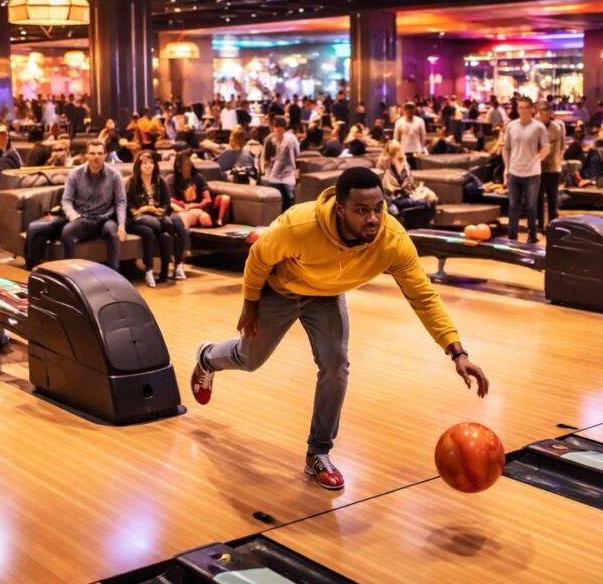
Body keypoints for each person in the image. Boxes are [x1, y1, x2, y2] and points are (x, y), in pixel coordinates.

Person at [189, 168, 489, 490]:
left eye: (378, 208)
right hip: (281, 290)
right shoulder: (299, 224)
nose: (373, 218)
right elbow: (259, 257)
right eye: (361, 210)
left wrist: (456, 350)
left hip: (326, 296)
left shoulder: (392, 240)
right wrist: (250, 304)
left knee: (336, 366)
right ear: (340, 208)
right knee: (249, 359)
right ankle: (208, 357)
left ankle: (318, 453)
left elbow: (423, 296)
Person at [23, 141, 127, 272]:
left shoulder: (114, 175)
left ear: (105, 155)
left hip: (104, 218)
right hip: (81, 218)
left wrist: (122, 224)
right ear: (86, 155)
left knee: (113, 233)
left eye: (100, 153)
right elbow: (66, 200)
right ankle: (66, 273)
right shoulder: (75, 174)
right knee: (64, 231)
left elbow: (121, 202)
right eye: (92, 153)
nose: (96, 157)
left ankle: (114, 274)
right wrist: (72, 214)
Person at [126, 150, 188, 287]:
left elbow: (166, 203)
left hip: (158, 216)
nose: (148, 166)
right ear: (139, 166)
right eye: (145, 164)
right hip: (139, 216)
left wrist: (160, 211)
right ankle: (151, 269)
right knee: (157, 226)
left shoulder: (160, 181)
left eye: (151, 163)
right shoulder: (132, 182)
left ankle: (170, 269)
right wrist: (145, 209)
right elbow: (130, 206)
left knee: (168, 230)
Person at [501, 98, 549, 244]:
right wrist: (506, 168)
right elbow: (506, 147)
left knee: (531, 206)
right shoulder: (511, 126)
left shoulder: (539, 127)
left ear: (531, 109)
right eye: (519, 108)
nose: (521, 110)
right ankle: (512, 236)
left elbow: (546, 147)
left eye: (524, 108)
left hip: (532, 174)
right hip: (514, 171)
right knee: (513, 206)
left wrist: (537, 159)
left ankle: (532, 235)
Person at [377, 140, 437, 228]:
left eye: (399, 150)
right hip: (395, 197)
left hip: (407, 193)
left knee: (431, 196)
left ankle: (426, 224)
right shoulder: (386, 166)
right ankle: (424, 225)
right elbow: (392, 188)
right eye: (397, 151)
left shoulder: (404, 163)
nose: (400, 152)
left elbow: (409, 184)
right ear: (391, 153)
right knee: (427, 201)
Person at [171, 151, 230, 228]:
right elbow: (171, 201)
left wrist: (195, 206)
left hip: (201, 210)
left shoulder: (198, 177)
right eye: (185, 166)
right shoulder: (172, 179)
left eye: (189, 164)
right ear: (179, 169)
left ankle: (218, 220)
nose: (188, 168)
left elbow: (208, 200)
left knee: (205, 219)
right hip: (183, 210)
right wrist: (184, 206)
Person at [261, 116, 299, 211]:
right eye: (276, 127)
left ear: (284, 128)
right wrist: (264, 170)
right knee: (278, 197)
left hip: (288, 173)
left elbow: (296, 155)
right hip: (273, 174)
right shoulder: (270, 140)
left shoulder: (290, 140)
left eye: (280, 127)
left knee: (289, 198)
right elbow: (265, 157)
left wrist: (296, 169)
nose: (278, 130)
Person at [537, 105, 566, 225]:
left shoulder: (557, 127)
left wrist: (559, 160)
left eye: (544, 112)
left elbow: (561, 146)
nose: (541, 115)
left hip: (554, 167)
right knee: (538, 197)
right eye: (540, 112)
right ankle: (540, 223)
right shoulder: (536, 127)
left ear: (549, 113)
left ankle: (552, 224)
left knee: (552, 198)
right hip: (539, 168)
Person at [393, 102, 427, 168]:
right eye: (407, 108)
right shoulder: (399, 122)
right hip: (403, 151)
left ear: (414, 109)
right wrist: (397, 151)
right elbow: (396, 138)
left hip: (417, 151)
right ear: (404, 110)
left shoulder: (420, 121)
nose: (409, 110)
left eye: (411, 108)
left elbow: (423, 136)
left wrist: (422, 149)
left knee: (417, 171)